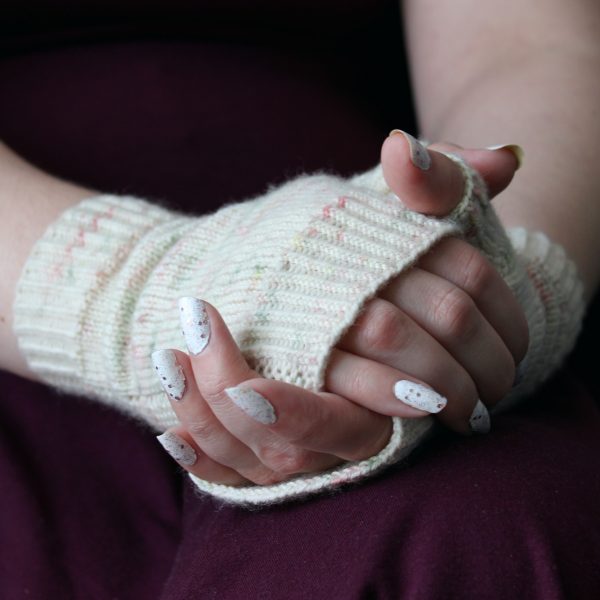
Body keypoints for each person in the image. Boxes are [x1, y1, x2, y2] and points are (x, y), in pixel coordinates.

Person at [1, 0, 599, 598]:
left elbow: (521, 48)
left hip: (377, 268)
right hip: (22, 302)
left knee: (473, 528)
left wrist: (509, 284)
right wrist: (131, 293)